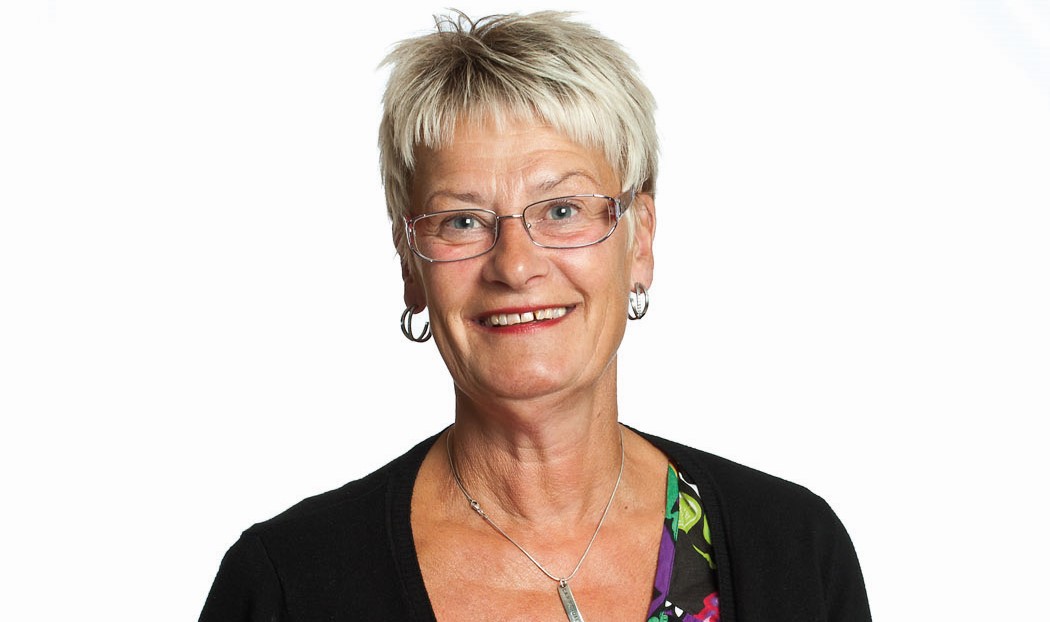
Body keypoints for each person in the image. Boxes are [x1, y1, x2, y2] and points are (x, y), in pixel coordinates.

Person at [199, 11, 870, 622]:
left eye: (562, 210)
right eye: (462, 220)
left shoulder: (796, 549)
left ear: (639, 240)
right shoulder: (285, 586)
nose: (515, 266)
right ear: (410, 265)